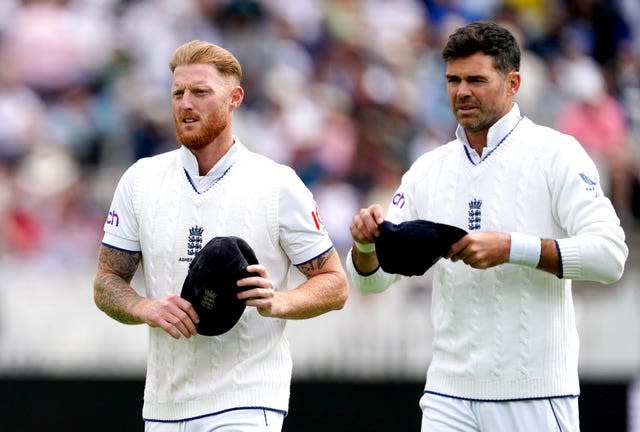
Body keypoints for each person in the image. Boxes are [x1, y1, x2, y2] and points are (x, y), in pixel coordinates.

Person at [347, 21, 628, 432]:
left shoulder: (557, 154)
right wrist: (365, 246)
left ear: (513, 83)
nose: (462, 92)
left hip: (535, 394)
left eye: (476, 79)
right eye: (453, 80)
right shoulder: (428, 169)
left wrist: (512, 248)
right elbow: (371, 284)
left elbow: (611, 256)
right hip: (448, 395)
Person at [93, 40, 348, 431]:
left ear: (234, 98)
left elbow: (334, 284)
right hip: (164, 405)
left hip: (246, 402)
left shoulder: (277, 183)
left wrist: (277, 301)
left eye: (200, 92)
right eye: (177, 93)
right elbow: (106, 282)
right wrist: (144, 307)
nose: (185, 104)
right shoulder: (139, 180)